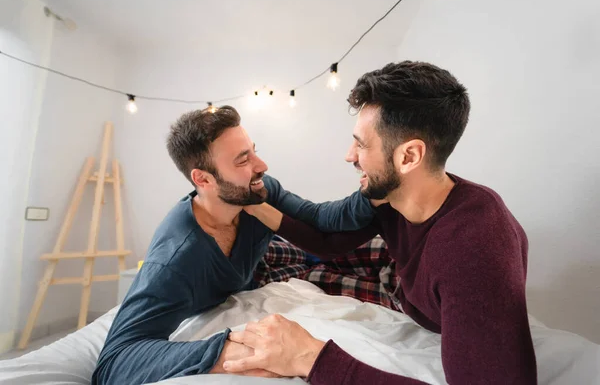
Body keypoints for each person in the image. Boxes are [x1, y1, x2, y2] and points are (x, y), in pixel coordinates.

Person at [224, 61, 538, 384]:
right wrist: (259, 209)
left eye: (361, 144)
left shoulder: (473, 246)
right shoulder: (389, 196)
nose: (350, 156)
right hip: (402, 285)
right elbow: (327, 242)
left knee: (313, 273)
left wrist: (309, 357)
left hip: (409, 294)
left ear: (408, 157)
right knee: (299, 263)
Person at [91, 106, 375, 385]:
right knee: (337, 274)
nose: (261, 166)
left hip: (260, 264)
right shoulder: (176, 261)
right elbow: (114, 363)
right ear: (203, 179)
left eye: (254, 150)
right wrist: (226, 351)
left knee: (368, 252)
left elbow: (319, 218)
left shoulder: (260, 191)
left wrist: (377, 189)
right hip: (247, 275)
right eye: (242, 160)